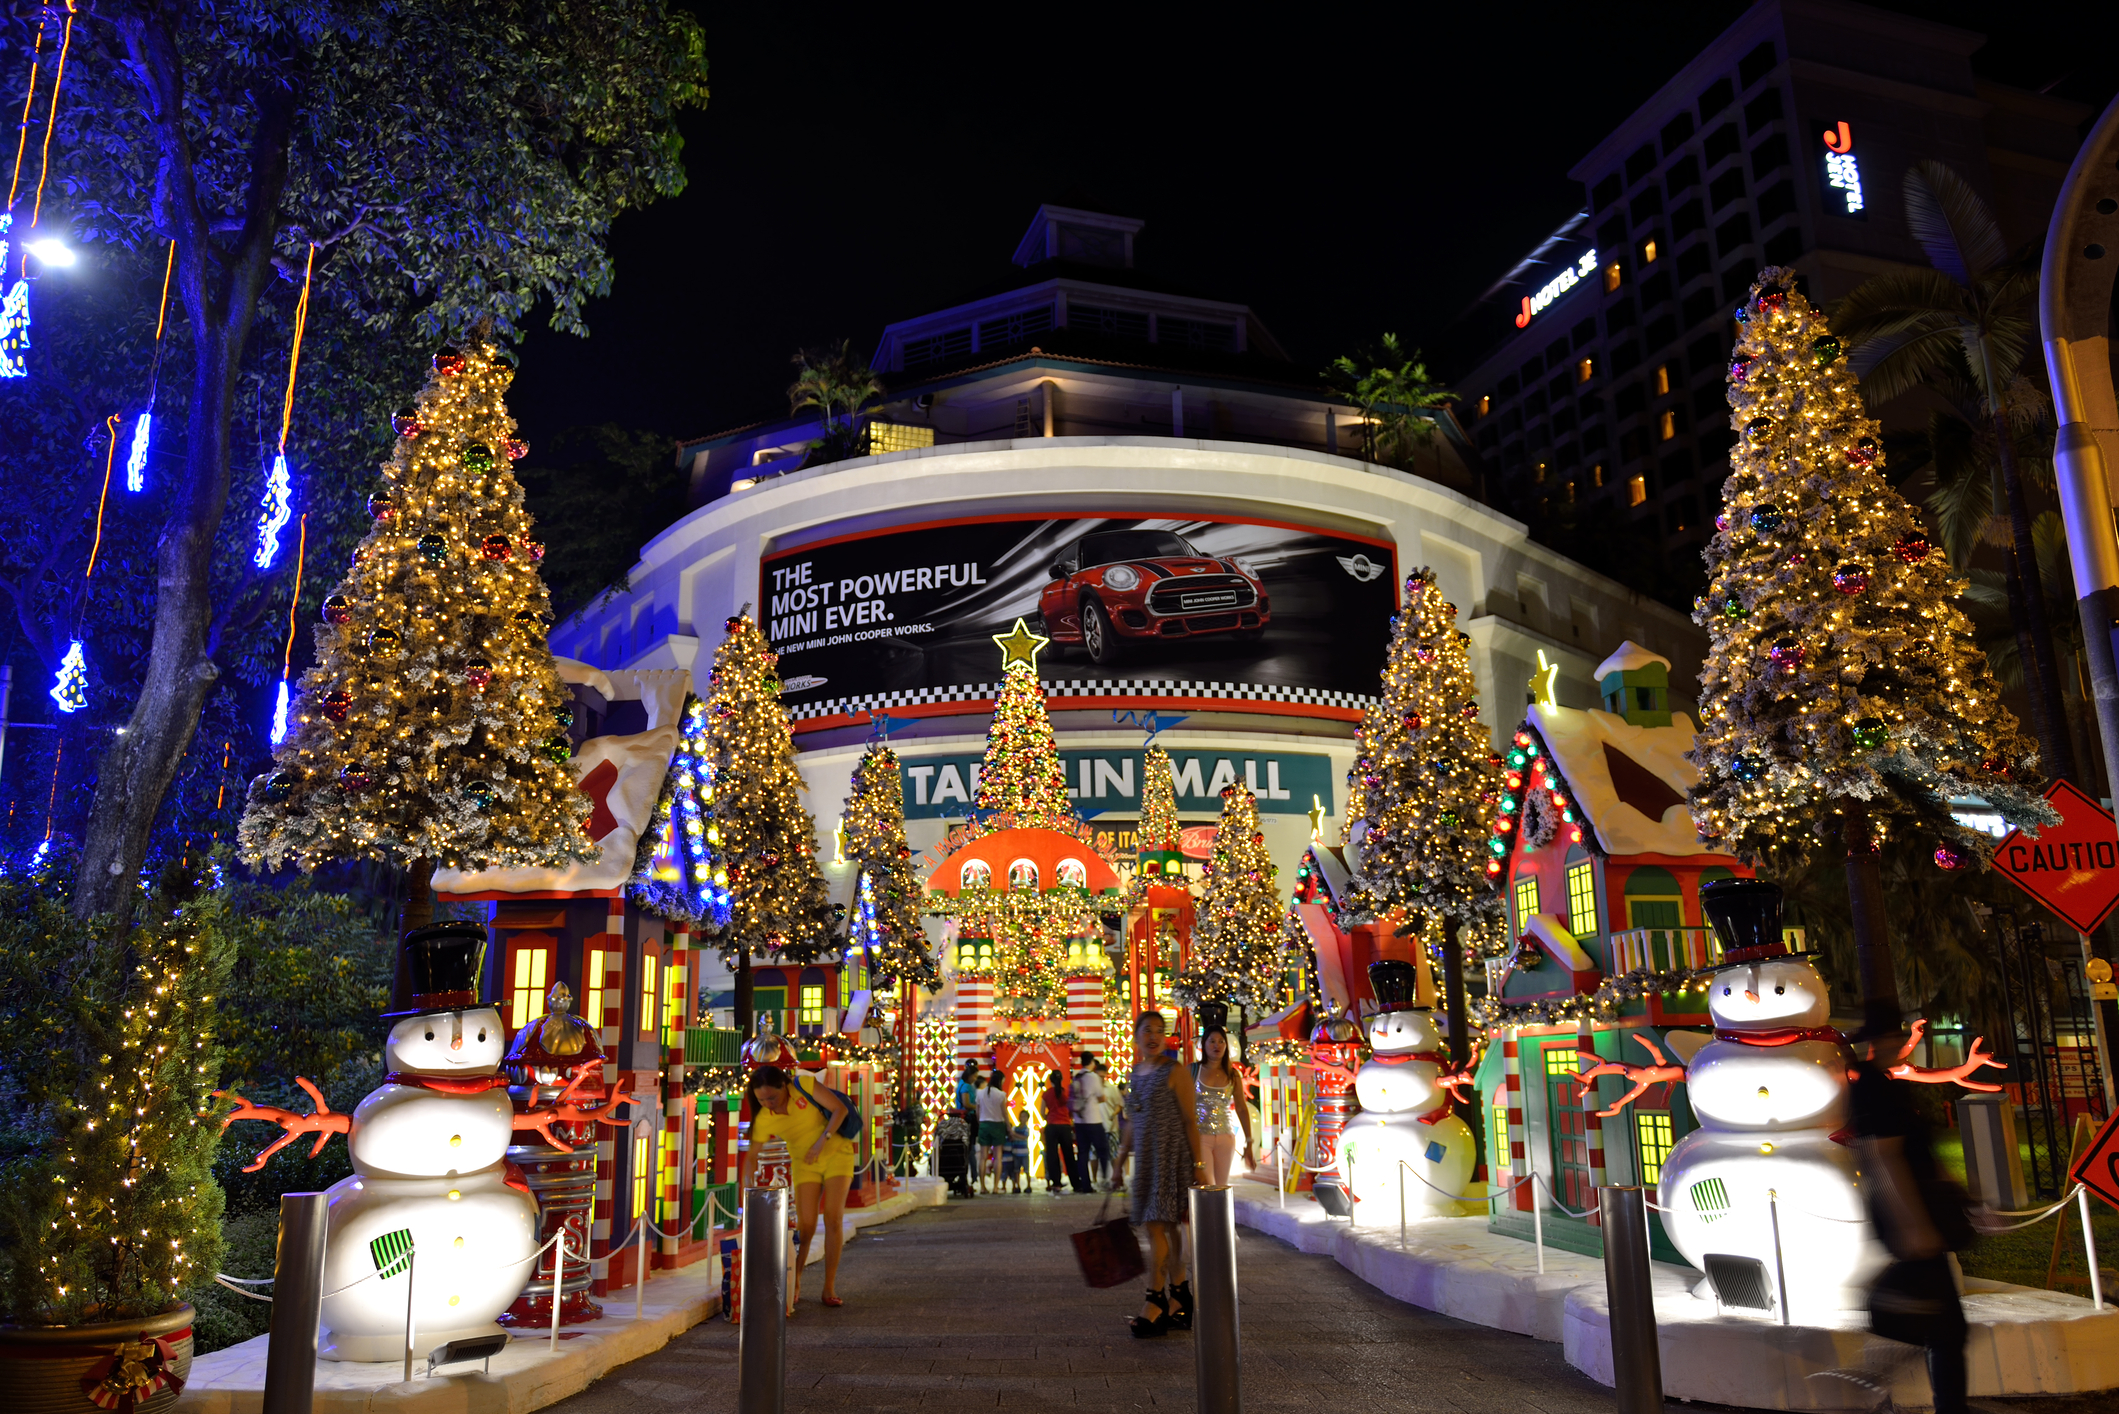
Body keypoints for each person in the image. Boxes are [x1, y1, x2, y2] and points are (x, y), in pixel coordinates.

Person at [1848, 1005, 1976, 1414]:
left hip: (1919, 1212)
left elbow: (1915, 1150)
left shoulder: (1888, 1084)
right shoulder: (1873, 1088)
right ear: (1877, 1043)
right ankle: (1931, 1400)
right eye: (1894, 1037)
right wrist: (1911, 1223)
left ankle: (1897, 1385)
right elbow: (1881, 1157)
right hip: (1910, 1215)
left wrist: (1954, 1193)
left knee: (1941, 1321)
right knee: (1945, 1325)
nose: (1901, 1043)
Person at [739, 1064, 855, 1312]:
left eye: (772, 1096)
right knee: (807, 1225)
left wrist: (821, 1141)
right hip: (805, 1165)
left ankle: (829, 1288)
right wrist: (747, 1186)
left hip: (837, 1153)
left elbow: (840, 1110)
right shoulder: (764, 1118)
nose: (768, 1103)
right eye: (762, 1099)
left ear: (784, 1085)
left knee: (833, 1218)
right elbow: (751, 1157)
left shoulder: (803, 1085)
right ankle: (796, 1279)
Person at [1119, 1010, 1206, 1338]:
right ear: (1137, 1035)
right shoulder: (1135, 1073)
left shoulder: (1175, 1070)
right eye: (1147, 1030)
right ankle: (1179, 1298)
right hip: (1146, 1161)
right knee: (1165, 1231)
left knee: (1157, 1228)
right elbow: (1132, 1120)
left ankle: (1153, 1302)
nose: (1153, 1036)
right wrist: (1118, 1162)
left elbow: (1189, 1120)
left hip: (1172, 1160)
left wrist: (1199, 1166)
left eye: (1159, 1030)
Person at [1192, 1024, 1256, 1185]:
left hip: (1225, 1137)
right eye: (1212, 1041)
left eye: (1221, 1041)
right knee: (1206, 1186)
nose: (1217, 1045)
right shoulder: (1193, 1070)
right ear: (1204, 1045)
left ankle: (1219, 1211)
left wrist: (1249, 1142)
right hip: (1200, 1136)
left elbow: (1241, 1108)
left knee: (1220, 1189)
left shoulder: (1232, 1074)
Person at [1041, 1071, 1091, 1193]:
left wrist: (1049, 1118)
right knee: (1069, 1155)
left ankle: (1056, 1183)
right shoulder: (1067, 1092)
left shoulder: (1046, 1094)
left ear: (1050, 1080)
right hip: (1065, 1126)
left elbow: (1042, 1112)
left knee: (1052, 1156)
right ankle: (1076, 1183)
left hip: (1051, 1126)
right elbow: (1072, 1109)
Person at [1072, 1056, 1113, 1188]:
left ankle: (1086, 1184)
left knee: (1083, 1152)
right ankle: (1104, 1179)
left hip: (1079, 1120)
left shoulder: (1076, 1076)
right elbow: (1102, 1097)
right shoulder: (1093, 1077)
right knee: (1103, 1149)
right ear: (1091, 1062)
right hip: (1093, 1119)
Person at [975, 1069, 1014, 1193]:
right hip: (998, 1125)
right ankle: (996, 1187)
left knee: (983, 1157)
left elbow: (977, 1111)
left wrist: (980, 1122)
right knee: (998, 1157)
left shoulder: (980, 1093)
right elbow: (1004, 1113)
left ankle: (982, 1187)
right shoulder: (1001, 1094)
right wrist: (1008, 1127)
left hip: (984, 1124)